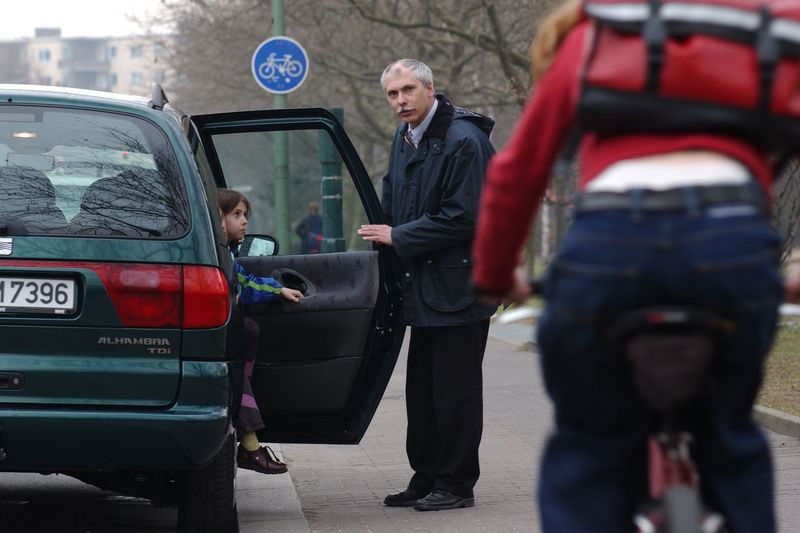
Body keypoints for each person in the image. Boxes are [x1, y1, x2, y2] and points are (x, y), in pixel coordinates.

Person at [472, 1, 798, 532]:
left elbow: (518, 170)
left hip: (609, 247)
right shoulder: (770, 33)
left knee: (588, 449)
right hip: (731, 249)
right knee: (730, 442)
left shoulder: (597, 36)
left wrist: (494, 274)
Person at [357, 59, 496, 512]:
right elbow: (394, 198)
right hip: (425, 288)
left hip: (461, 288)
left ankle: (456, 485)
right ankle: (428, 476)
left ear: (430, 88)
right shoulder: (405, 137)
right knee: (422, 393)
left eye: (408, 90)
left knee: (455, 396)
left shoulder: (464, 140)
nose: (400, 101)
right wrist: (387, 235)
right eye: (393, 94)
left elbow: (465, 216)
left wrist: (399, 237)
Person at [218, 188, 303, 475]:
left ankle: (250, 444)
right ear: (219, 219)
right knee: (247, 333)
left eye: (245, 216)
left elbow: (248, 283)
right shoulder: (219, 257)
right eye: (236, 214)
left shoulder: (227, 255)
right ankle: (251, 448)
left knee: (249, 329)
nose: (244, 222)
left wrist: (278, 289)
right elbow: (247, 284)